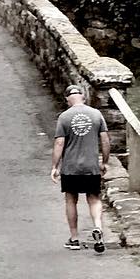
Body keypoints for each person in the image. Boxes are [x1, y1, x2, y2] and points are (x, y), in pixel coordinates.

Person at [50, 84, 110, 252]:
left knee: (71, 200)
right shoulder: (96, 114)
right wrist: (105, 162)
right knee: (94, 198)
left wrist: (54, 166)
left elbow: (59, 142)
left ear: (68, 99)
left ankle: (74, 238)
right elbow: (105, 140)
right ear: (83, 97)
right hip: (91, 166)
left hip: (71, 167)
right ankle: (98, 227)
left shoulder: (64, 117)